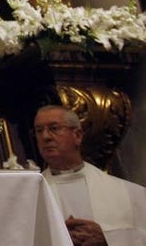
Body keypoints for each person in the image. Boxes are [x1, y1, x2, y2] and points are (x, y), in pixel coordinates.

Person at [35, 105, 146, 246]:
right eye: (39, 131)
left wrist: (108, 239)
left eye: (54, 128)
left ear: (78, 136)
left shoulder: (131, 193)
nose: (45, 137)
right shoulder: (31, 195)